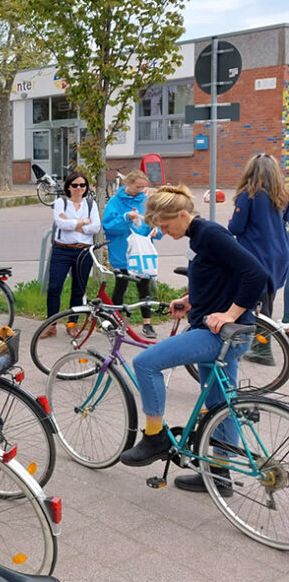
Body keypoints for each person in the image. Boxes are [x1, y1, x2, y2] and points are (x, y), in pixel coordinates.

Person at [119, 186, 266, 499]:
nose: (164, 232)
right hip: (224, 333)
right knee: (219, 406)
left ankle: (155, 437)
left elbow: (256, 273)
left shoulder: (210, 234)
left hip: (219, 334)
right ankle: (219, 474)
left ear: (183, 215)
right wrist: (190, 299)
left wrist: (229, 313)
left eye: (167, 226)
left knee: (145, 363)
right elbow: (222, 276)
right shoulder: (199, 237)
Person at [227, 153, 289, 323]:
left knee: (255, 308)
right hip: (280, 253)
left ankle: (261, 347)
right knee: (266, 301)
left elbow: (235, 228)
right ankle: (262, 343)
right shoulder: (283, 195)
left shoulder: (248, 195)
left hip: (256, 253)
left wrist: (233, 220)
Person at [101, 169, 159, 338]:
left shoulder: (146, 201)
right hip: (122, 251)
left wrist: (157, 230)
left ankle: (147, 323)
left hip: (141, 254)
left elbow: (156, 221)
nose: (140, 190)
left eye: (143, 187)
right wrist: (126, 218)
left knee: (144, 287)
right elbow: (109, 226)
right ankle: (114, 321)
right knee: (121, 287)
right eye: (137, 186)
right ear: (128, 183)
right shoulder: (115, 202)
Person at [43, 171, 101, 337]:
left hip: (84, 250)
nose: (79, 188)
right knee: (54, 287)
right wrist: (83, 222)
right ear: (68, 186)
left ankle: (72, 324)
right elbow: (61, 223)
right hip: (62, 250)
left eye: (82, 185)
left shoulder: (91, 204)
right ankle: (51, 324)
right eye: (75, 185)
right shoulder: (61, 202)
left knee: (78, 289)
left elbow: (96, 227)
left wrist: (73, 224)